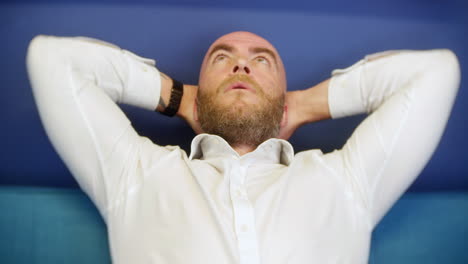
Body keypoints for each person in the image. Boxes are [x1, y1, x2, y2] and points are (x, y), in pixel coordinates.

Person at [26, 31, 460, 264]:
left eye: (262, 61)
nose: (241, 64)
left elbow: (437, 72)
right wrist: (179, 97)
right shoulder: (136, 174)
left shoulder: (346, 181)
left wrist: (302, 106)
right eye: (221, 57)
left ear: (283, 93)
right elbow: (51, 60)